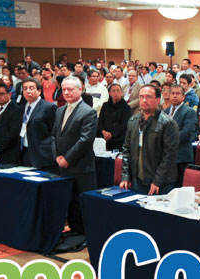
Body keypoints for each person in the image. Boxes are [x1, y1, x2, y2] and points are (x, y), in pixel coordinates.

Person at [53, 76, 99, 252]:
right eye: (64, 89)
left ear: (80, 90)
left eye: (71, 89)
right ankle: (73, 231)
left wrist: (68, 158)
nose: (66, 92)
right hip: (63, 164)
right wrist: (57, 156)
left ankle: (86, 234)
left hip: (81, 166)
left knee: (82, 203)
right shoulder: (59, 110)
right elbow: (54, 136)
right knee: (70, 202)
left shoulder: (88, 112)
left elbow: (85, 140)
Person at [120, 84, 179, 195]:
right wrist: (125, 176)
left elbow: (169, 157)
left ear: (158, 100)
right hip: (136, 180)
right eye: (141, 97)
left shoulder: (168, 123)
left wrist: (157, 181)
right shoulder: (133, 121)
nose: (144, 100)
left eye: (148, 97)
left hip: (159, 183)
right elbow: (126, 150)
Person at [17, 79, 56, 169]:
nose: (28, 91)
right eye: (25, 89)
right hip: (25, 152)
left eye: (31, 88)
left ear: (39, 91)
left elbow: (55, 132)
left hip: (43, 155)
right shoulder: (22, 107)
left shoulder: (48, 107)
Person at [165, 84, 198, 186]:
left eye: (178, 93)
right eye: (173, 93)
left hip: (181, 156)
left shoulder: (189, 111)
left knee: (180, 188)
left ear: (183, 96)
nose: (175, 96)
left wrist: (167, 140)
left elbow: (187, 132)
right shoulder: (165, 112)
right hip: (167, 157)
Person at [98, 83, 131, 151]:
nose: (116, 93)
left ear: (121, 93)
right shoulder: (105, 105)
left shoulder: (126, 107)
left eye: (118, 91)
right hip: (104, 137)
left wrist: (111, 134)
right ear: (110, 93)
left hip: (118, 139)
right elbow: (100, 120)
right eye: (113, 91)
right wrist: (103, 132)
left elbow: (124, 124)